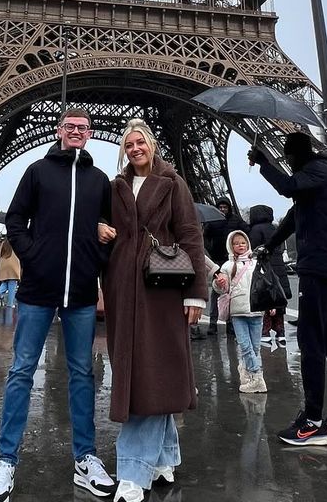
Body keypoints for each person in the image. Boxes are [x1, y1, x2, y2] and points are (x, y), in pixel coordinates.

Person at [0, 108, 115, 502]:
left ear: (90, 135)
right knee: (22, 371)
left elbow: (110, 229)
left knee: (82, 374)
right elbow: (16, 218)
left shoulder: (99, 180)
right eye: (70, 127)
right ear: (60, 131)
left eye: (82, 128)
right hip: (39, 290)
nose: (76, 132)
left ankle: (85, 458)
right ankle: (6, 459)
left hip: (79, 294)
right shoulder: (38, 171)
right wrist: (32, 255)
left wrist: (97, 261)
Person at [98, 118, 207, 502]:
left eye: (139, 142)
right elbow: (104, 224)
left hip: (161, 286)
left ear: (152, 144)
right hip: (122, 284)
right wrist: (100, 228)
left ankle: (132, 471)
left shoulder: (173, 183)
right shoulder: (116, 187)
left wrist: (196, 293)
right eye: (128, 145)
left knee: (151, 371)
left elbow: (191, 235)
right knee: (141, 368)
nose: (134, 149)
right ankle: (164, 457)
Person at [250, 132, 327, 447]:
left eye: (288, 159)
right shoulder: (320, 184)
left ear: (295, 155)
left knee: (312, 345)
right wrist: (268, 247)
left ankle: (311, 422)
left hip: (321, 271)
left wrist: (263, 162)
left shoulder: (314, 172)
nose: (289, 165)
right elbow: (292, 219)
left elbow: (287, 188)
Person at [213, 230, 268, 393]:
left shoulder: (257, 263)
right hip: (238, 312)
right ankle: (257, 377)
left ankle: (247, 372)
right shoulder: (228, 266)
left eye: (243, 242)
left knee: (255, 347)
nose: (240, 246)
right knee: (245, 346)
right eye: (236, 243)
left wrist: (270, 305)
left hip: (257, 310)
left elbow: (264, 285)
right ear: (231, 246)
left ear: (248, 244)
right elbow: (222, 289)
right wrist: (220, 283)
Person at [247, 204, 292, 346]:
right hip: (278, 267)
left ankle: (265, 333)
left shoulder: (255, 230)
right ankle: (281, 334)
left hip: (265, 266)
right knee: (279, 299)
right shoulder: (274, 228)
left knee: (265, 299)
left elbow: (253, 250)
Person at [202, 196, 247, 335]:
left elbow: (245, 232)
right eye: (220, 207)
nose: (222, 209)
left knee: (230, 292)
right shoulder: (217, 221)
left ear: (228, 208)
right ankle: (214, 323)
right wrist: (210, 248)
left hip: (231, 259)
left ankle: (228, 324)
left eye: (224, 207)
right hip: (217, 260)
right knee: (217, 291)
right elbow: (204, 236)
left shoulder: (234, 220)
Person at [0, 239, 21, 307]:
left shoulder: (3, 243)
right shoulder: (16, 242)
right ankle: (10, 303)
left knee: (5, 282)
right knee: (12, 284)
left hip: (4, 264)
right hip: (13, 264)